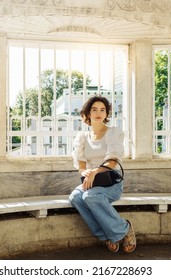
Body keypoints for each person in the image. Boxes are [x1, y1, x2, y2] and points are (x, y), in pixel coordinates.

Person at [69, 95, 136, 253]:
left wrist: (95, 171)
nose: (98, 112)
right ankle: (106, 234)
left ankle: (124, 229)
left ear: (106, 114)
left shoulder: (114, 133)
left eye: (102, 109)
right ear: (88, 114)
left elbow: (112, 161)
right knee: (75, 197)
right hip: (91, 181)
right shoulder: (83, 137)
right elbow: (81, 161)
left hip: (111, 182)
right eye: (94, 109)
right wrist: (84, 171)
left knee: (90, 196)